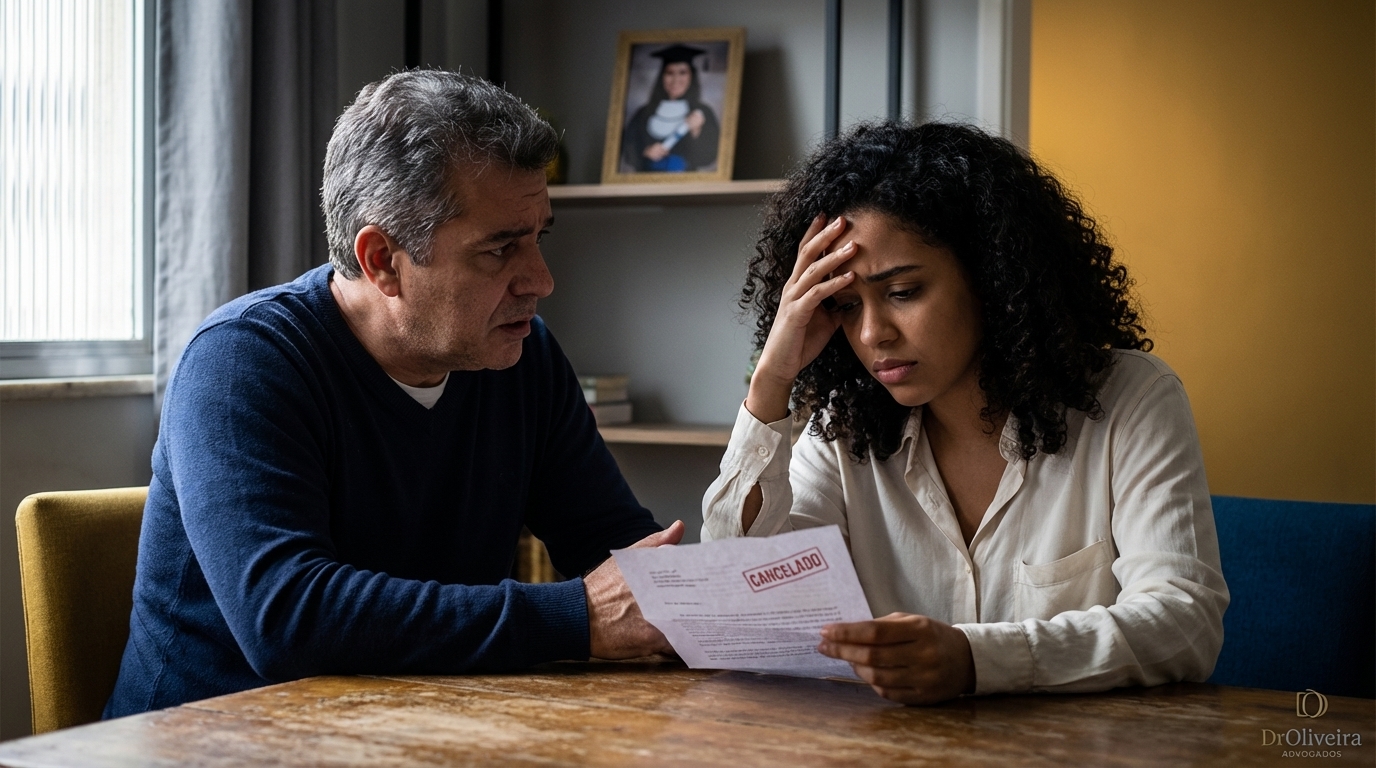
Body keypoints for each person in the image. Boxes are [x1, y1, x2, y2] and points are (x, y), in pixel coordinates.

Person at [105, 71, 680, 717]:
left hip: (418, 725)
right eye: (499, 249)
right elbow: (287, 619)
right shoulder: (242, 361)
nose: (540, 280)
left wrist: (717, 606)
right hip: (213, 742)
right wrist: (577, 617)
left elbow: (611, 543)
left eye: (538, 237)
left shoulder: (523, 356)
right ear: (381, 259)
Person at [702, 121, 1229, 705]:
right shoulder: (841, 428)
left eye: (903, 292)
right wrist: (774, 377)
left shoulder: (1130, 400)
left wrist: (976, 659)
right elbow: (740, 596)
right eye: (847, 306)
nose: (873, 333)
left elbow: (1184, 624)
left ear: (992, 278)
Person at [620, 44, 721, 172]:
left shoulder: (703, 112)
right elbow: (627, 148)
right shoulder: (644, 113)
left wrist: (696, 131)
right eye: (670, 73)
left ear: (691, 76)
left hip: (687, 185)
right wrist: (645, 151)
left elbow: (709, 157)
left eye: (682, 73)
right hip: (648, 183)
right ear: (662, 77)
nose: (675, 80)